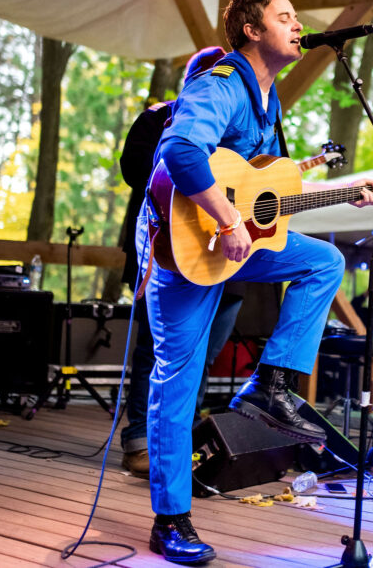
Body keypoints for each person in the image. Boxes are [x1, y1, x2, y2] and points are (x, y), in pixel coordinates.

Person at [138, 0, 373, 564]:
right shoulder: (219, 83)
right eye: (286, 16)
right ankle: (171, 519)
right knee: (179, 382)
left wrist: (347, 190)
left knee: (324, 260)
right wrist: (224, 219)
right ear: (252, 29)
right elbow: (183, 153)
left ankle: (270, 384)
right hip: (186, 246)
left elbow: (261, 190)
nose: (299, 25)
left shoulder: (269, 100)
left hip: (235, 240)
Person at [118, 47, 248, 477]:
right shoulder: (159, 117)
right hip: (167, 248)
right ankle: (141, 440)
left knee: (205, 355)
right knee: (154, 351)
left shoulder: (244, 125)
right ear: (196, 82)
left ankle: (180, 442)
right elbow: (137, 169)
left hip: (224, 258)